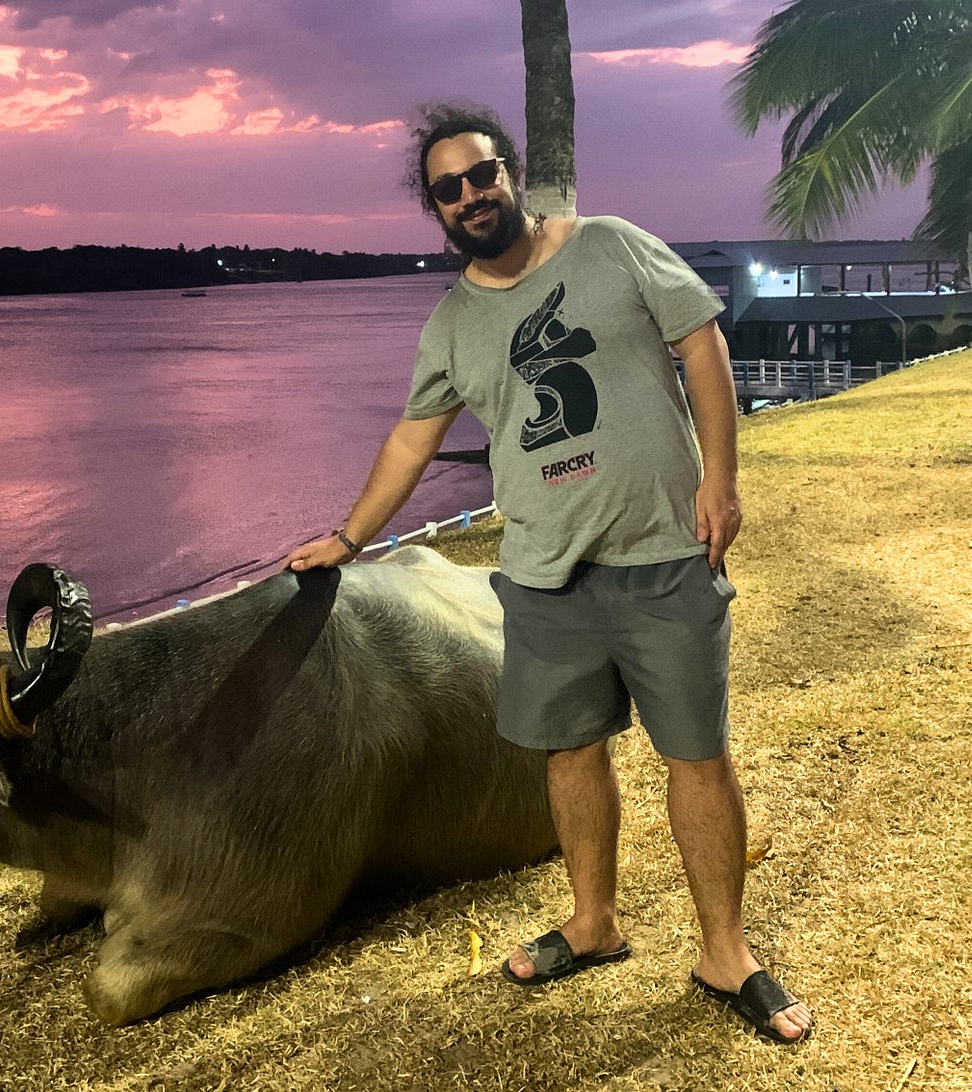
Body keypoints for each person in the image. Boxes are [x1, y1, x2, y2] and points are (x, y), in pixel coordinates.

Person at [284, 103, 812, 1045]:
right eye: (447, 189)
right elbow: (412, 440)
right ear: (436, 209)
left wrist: (721, 481)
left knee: (697, 756)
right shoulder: (452, 324)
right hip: (543, 576)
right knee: (570, 754)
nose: (469, 195)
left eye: (481, 174)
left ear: (511, 174)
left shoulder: (611, 246)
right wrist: (348, 538)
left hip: (661, 554)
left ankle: (725, 952)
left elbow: (701, 342)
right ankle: (594, 922)